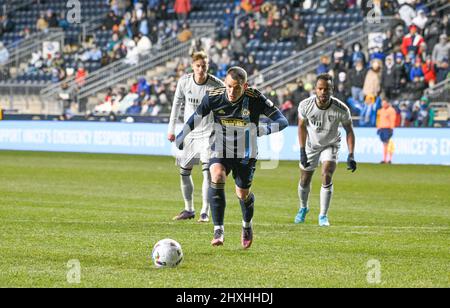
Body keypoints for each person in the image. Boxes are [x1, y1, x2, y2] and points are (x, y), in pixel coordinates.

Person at [175, 67, 288, 248]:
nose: (231, 91)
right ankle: (218, 229)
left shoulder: (255, 98)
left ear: (245, 86)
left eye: (236, 88)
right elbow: (197, 116)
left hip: (246, 152)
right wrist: (182, 134)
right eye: (229, 86)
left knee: (242, 194)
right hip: (220, 146)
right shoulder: (214, 96)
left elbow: (283, 121)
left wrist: (264, 129)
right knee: (217, 175)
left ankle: (246, 225)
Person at [168, 51, 225, 223]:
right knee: (184, 172)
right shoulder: (184, 81)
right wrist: (171, 129)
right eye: (198, 66)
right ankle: (189, 209)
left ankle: (204, 211)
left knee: (207, 173)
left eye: (204, 66)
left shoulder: (217, 85)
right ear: (192, 66)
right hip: (189, 132)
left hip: (209, 133)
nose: (201, 69)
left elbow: (225, 108)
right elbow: (176, 104)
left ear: (208, 66)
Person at [295, 74, 357, 227]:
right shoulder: (305, 105)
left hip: (331, 144)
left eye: (326, 89)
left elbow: (349, 130)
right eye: (320, 88)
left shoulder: (341, 109)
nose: (323, 92)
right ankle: (303, 207)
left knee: (327, 174)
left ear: (332, 90)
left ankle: (323, 215)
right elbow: (301, 127)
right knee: (305, 179)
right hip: (312, 145)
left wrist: (351, 154)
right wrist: (302, 150)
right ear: (315, 89)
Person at [376, 100, 396, 164]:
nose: (383, 105)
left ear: (387, 103)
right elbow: (378, 120)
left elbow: (392, 120)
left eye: (384, 103)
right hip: (382, 128)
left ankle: (389, 159)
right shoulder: (380, 111)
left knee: (389, 144)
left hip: (388, 128)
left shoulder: (391, 110)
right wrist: (378, 128)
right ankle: (384, 159)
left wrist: (391, 128)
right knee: (384, 144)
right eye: (382, 103)